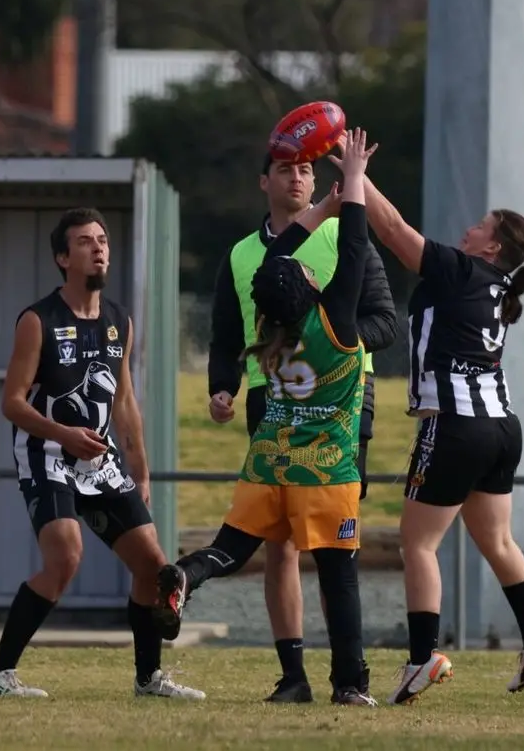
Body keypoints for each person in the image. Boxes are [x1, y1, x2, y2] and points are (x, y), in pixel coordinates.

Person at [157, 129, 380, 708]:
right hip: (326, 460)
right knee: (339, 567)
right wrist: (350, 182)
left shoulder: (270, 337)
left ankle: (189, 573)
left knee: (233, 548)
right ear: (311, 291)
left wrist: (324, 207)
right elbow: (352, 251)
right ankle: (350, 683)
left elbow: (281, 263)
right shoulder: (336, 329)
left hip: (273, 450)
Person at [331, 152, 524, 704]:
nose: (469, 227)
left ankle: (422, 657)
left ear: (494, 246)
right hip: (501, 429)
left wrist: (354, 176)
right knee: (497, 540)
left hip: (456, 426)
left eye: (481, 225)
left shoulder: (463, 270)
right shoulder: (497, 293)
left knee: (418, 544)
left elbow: (390, 229)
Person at [0, 207, 204, 701]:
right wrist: (64, 433)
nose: (98, 247)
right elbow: (11, 402)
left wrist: (139, 470)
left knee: (153, 566)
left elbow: (124, 401)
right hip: (47, 453)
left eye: (102, 239)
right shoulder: (38, 320)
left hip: (100, 461)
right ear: (63, 257)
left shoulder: (120, 320)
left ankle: (148, 680)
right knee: (65, 559)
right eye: (84, 241)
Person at [207, 150, 396, 702]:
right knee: (277, 543)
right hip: (272, 396)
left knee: (338, 543)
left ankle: (348, 676)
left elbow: (384, 320)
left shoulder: (342, 232)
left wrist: (330, 342)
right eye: (286, 169)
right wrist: (223, 385)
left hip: (341, 400)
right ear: (264, 180)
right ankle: (293, 677)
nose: (298, 178)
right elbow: (226, 332)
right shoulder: (243, 254)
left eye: (307, 170)